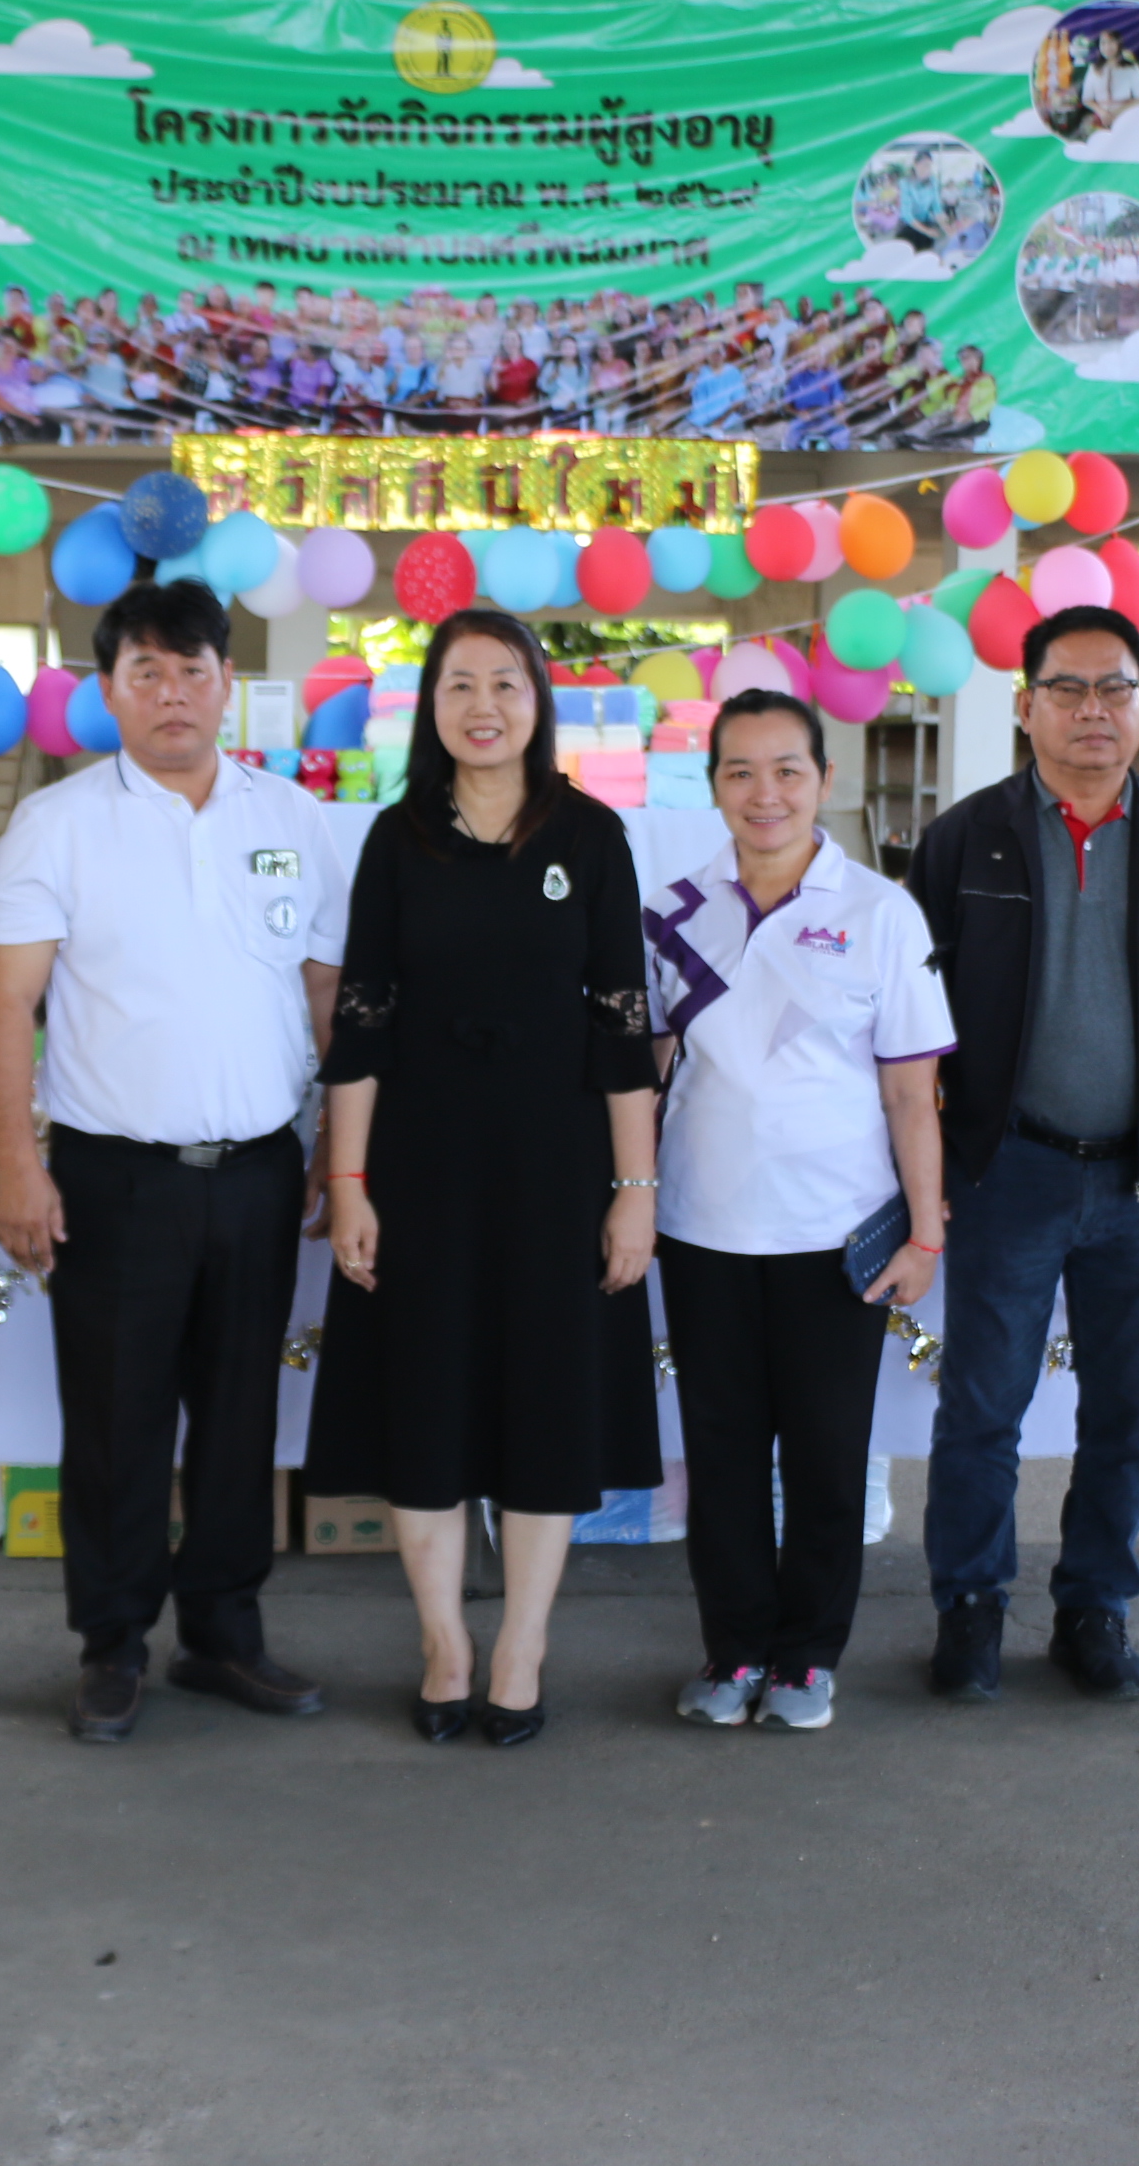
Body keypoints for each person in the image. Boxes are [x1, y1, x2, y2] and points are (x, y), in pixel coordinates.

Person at [0, 579, 349, 1745]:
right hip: (114, 1177)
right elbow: (5, 1004)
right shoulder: (60, 823)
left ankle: (223, 1631)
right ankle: (112, 1642)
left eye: (194, 669)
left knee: (240, 1414)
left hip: (259, 1169)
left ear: (228, 680)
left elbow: (327, 991)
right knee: (116, 1417)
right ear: (109, 689)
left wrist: (338, 1146)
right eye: (147, 671)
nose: (173, 692)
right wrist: (19, 1164)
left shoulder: (292, 818)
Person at [310, 607, 660, 1750]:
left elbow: (624, 1027)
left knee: (546, 1402)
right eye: (459, 683)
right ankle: (443, 1642)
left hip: (557, 1169)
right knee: (426, 1399)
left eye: (506, 683)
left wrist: (636, 1189)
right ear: (430, 705)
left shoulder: (591, 837)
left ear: (539, 700)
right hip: (421, 1166)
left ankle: (521, 1644)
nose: (484, 706)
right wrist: (349, 1180)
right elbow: (361, 1023)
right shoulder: (395, 839)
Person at [901, 605, 1139, 1706]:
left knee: (1127, 1416)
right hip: (1005, 1170)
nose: (1092, 709)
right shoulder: (964, 839)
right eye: (1068, 687)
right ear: (1026, 706)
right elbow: (906, 1021)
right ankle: (970, 1606)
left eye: (1115, 688)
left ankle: (1095, 1608)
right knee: (982, 1411)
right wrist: (931, 1171)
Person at [643, 690, 952, 1733]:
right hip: (704, 1228)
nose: (764, 792)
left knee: (827, 1454)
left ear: (824, 780)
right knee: (721, 1454)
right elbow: (644, 1077)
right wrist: (632, 1200)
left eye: (787, 770)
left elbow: (911, 1092)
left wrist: (925, 1232)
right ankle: (733, 1648)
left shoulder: (879, 913)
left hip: (836, 1237)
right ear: (714, 785)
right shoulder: (672, 911)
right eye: (740, 770)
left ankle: (809, 1657)